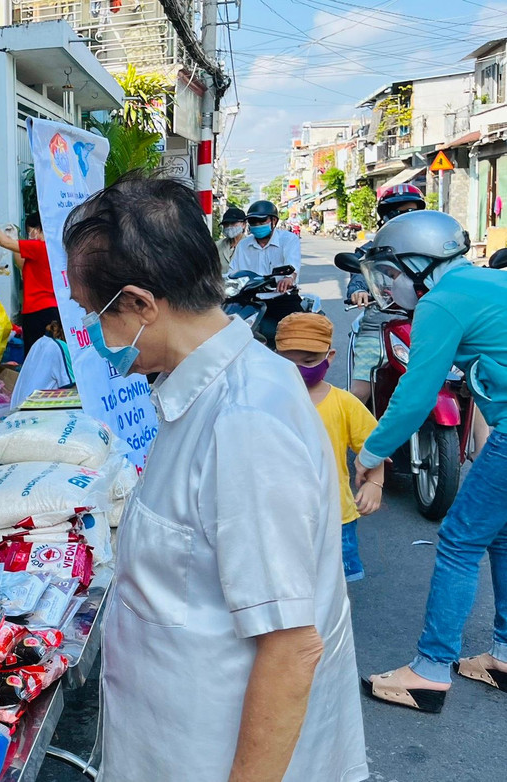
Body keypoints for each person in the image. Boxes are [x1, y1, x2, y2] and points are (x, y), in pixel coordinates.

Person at [69, 176, 365, 781]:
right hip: (175, 743)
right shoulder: (205, 391)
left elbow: (290, 649)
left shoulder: (244, 423)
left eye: (93, 316)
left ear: (142, 304)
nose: (93, 338)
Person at [352, 211, 507, 714]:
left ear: (420, 262)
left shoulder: (440, 302)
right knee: (500, 536)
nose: (391, 286)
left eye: (392, 273)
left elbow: (416, 395)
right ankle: (504, 654)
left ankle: (429, 672)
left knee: (460, 541)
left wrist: (370, 454)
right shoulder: (486, 282)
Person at [275, 314, 385, 582]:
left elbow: (373, 447)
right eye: (287, 362)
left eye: (309, 360)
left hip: (336, 518)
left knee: (336, 584)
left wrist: (375, 483)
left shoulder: (344, 403)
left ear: (330, 356)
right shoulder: (265, 400)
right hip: (280, 518)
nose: (299, 369)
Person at [346, 184, 426, 404]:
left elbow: (453, 270)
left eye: (412, 212)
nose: (406, 218)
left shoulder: (430, 246)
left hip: (429, 324)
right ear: (386, 216)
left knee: (475, 382)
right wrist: (359, 291)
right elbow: (359, 276)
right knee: (358, 392)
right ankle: (347, 437)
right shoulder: (371, 250)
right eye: (398, 213)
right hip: (380, 326)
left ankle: (487, 438)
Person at [0, 209, 58, 354]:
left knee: (34, 357)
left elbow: (3, 242)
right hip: (52, 310)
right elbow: (22, 264)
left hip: (36, 311)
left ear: (37, 229)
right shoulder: (55, 249)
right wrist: (15, 239)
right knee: (51, 355)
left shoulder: (39, 247)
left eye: (30, 231)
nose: (29, 236)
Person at [230, 199, 303, 343]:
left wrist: (288, 278)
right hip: (250, 300)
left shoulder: (288, 240)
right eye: (253, 222)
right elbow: (233, 271)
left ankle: (301, 364)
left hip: (281, 298)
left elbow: (293, 265)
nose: (257, 225)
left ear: (274, 221)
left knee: (299, 334)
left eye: (261, 221)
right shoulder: (243, 245)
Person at [9, 321, 73, 410]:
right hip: (34, 412)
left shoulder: (41, 341)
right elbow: (72, 387)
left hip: (19, 410)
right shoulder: (59, 346)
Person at [215, 206, 246, 273]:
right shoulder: (217, 245)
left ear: (244, 224)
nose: (229, 227)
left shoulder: (251, 245)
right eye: (226, 224)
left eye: (233, 223)